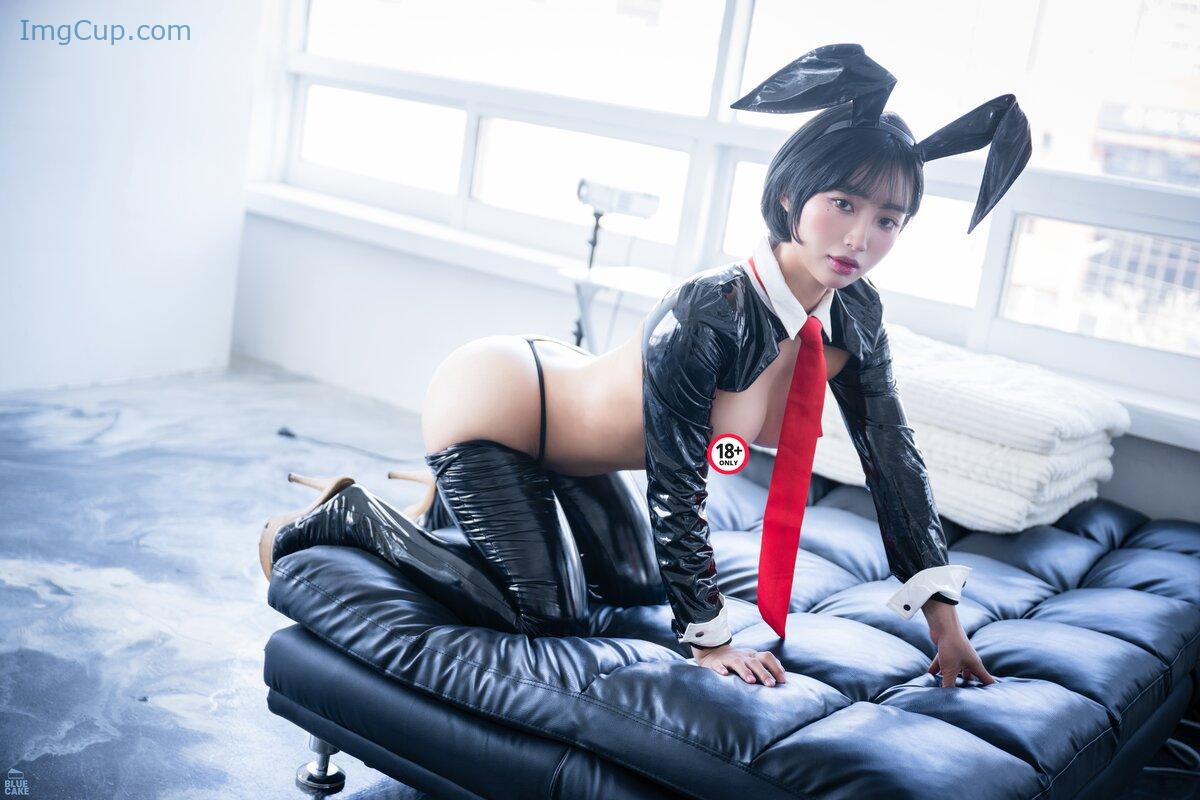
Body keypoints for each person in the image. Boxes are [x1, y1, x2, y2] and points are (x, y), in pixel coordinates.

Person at [259, 43, 1031, 691]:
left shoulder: (856, 317)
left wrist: (945, 625)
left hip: (577, 433)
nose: (861, 238)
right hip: (502, 405)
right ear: (790, 195)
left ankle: (457, 517)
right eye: (845, 204)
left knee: (635, 584)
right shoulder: (709, 309)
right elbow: (677, 482)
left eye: (889, 220)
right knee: (547, 613)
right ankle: (352, 513)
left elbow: (894, 462)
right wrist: (710, 642)